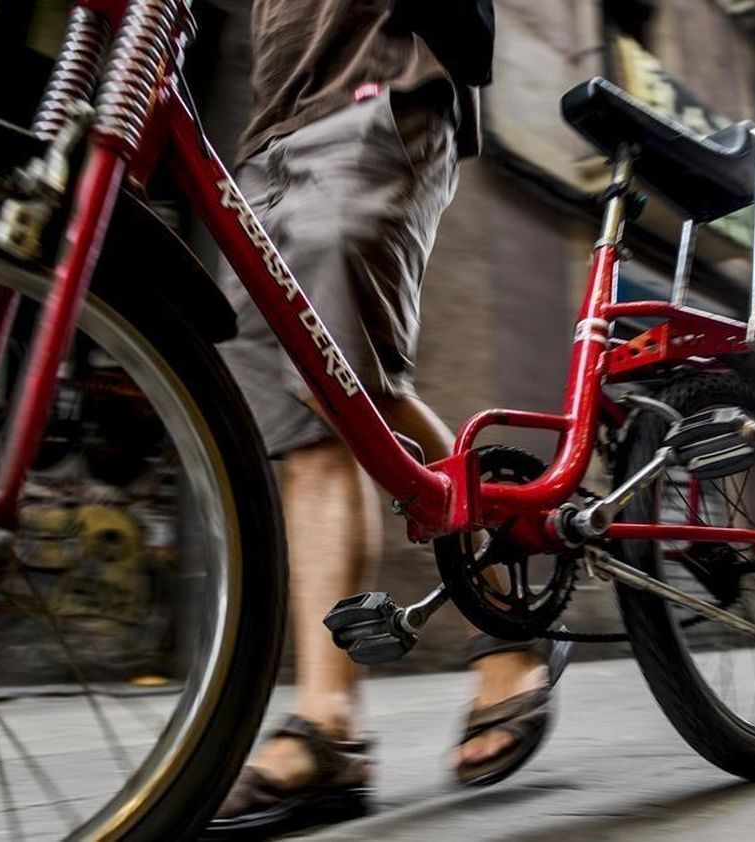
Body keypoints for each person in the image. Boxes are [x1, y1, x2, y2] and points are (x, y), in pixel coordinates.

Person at [203, 2, 565, 837]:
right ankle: (344, 731)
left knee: (338, 388)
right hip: (270, 131)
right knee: (315, 417)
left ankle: (494, 641)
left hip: (380, 89)